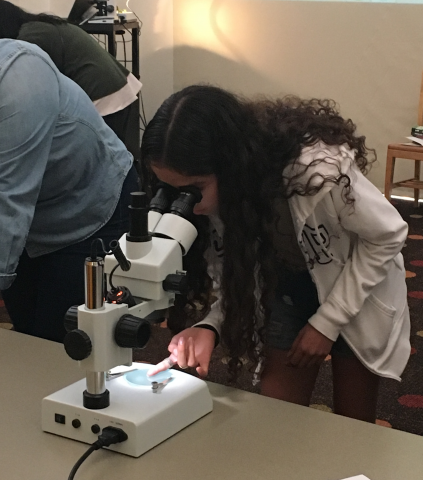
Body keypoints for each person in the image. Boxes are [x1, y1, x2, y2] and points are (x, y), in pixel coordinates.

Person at [142, 85, 411, 423]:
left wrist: (327, 324)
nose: (189, 205)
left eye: (194, 189)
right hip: (285, 287)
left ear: (231, 164)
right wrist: (209, 326)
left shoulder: (315, 169)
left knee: (352, 425)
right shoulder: (219, 196)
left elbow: (389, 235)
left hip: (355, 283)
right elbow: (234, 269)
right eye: (172, 191)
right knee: (276, 419)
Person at [0, 38, 138, 343]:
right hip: (30, 220)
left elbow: (8, 201)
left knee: (66, 341)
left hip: (90, 208)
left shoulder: (18, 75)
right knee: (26, 337)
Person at [0, 0, 142, 161]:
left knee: (105, 157)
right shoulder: (39, 26)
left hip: (103, 93)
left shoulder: (29, 39)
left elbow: (28, 87)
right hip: (117, 86)